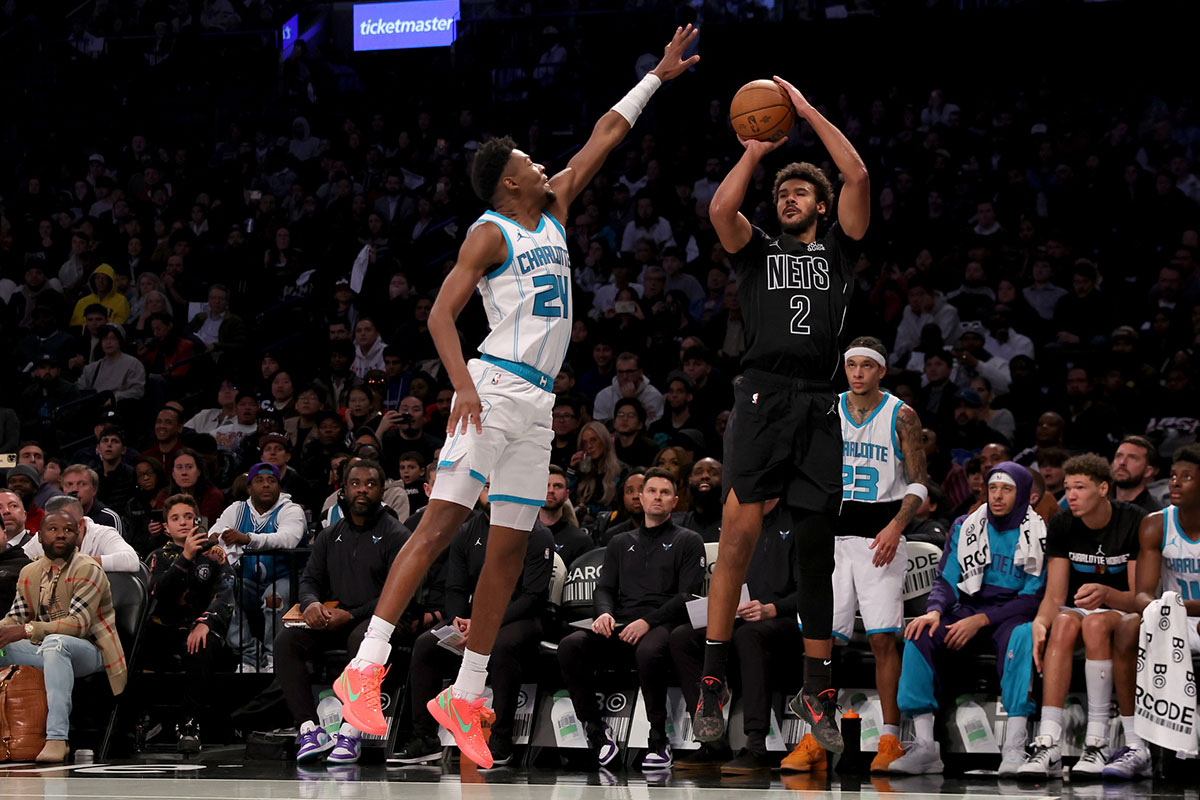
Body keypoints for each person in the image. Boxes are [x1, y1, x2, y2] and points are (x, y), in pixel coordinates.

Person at [334, 29, 699, 770]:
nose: (542, 164)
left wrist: (655, 77)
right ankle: (364, 667)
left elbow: (605, 135)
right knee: (437, 527)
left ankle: (468, 693)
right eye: (530, 161)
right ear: (509, 183)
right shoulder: (489, 231)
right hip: (492, 390)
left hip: (536, 407)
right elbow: (440, 315)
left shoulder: (556, 207)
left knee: (509, 550)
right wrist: (463, 386)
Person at [696, 74, 870, 753]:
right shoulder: (757, 252)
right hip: (763, 396)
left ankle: (817, 686)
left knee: (813, 553)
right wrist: (756, 151)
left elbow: (855, 171)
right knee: (736, 539)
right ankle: (713, 676)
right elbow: (720, 212)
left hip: (820, 405)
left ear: (822, 207)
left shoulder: (840, 250)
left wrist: (803, 110)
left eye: (801, 192)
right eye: (782, 194)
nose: (787, 198)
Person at [810, 337, 928, 772]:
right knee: (820, 643)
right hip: (832, 537)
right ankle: (815, 736)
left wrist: (897, 526)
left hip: (881, 537)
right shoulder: (827, 408)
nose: (857, 373)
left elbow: (918, 483)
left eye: (866, 366)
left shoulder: (903, 415)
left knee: (881, 638)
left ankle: (890, 739)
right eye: (851, 365)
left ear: (881, 371)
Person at [889, 463, 1045, 776]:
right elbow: (946, 580)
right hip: (966, 609)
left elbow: (1030, 600)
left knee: (1023, 636)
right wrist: (933, 610)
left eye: (1007, 489)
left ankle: (1014, 747)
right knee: (918, 633)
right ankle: (924, 747)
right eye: (993, 488)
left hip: (1010, 613)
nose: (997, 496)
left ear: (1024, 494)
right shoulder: (965, 525)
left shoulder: (1038, 532)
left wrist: (981, 621)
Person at [395, 485, 554, 767]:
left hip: (521, 618)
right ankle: (424, 738)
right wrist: (459, 620)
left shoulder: (536, 533)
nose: (494, 493)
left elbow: (532, 596)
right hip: (473, 618)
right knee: (425, 645)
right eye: (488, 487)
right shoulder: (467, 531)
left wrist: (483, 625)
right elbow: (455, 587)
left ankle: (501, 738)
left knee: (503, 646)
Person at [557, 468, 705, 769]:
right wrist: (604, 614)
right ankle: (596, 732)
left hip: (665, 622)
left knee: (650, 650)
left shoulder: (688, 540)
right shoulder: (620, 542)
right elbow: (605, 588)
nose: (657, 498)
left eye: (665, 493)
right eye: (652, 491)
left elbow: (687, 597)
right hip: (622, 623)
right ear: (641, 496)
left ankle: (658, 738)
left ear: (675, 501)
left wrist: (648, 622)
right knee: (571, 645)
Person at [1018, 454, 1146, 779]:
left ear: (1103, 488)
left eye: (1079, 487)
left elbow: (1141, 598)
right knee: (1060, 623)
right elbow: (1055, 597)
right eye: (1067, 487)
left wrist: (1107, 594)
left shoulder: (1134, 521)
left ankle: (1097, 742)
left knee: (1096, 622)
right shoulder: (1062, 523)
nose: (1071, 495)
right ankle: (1048, 743)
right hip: (1083, 609)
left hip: (1123, 610)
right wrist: (1040, 623)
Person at [276, 460, 412, 765]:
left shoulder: (396, 535)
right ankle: (309, 729)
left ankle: (352, 732)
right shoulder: (329, 535)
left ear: (381, 492)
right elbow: (310, 579)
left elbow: (400, 595)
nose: (362, 490)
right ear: (343, 490)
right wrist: (312, 604)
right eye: (355, 483)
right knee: (287, 641)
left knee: (362, 640)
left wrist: (351, 616)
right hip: (337, 618)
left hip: (386, 620)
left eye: (370, 484)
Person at [671, 498, 801, 773]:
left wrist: (772, 609)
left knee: (748, 637)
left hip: (786, 620)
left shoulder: (796, 522)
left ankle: (756, 745)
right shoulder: (737, 523)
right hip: (740, 616)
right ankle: (712, 741)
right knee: (683, 637)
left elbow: (814, 591)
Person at [0, 508, 127, 763]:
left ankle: (57, 738)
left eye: (68, 530)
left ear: (78, 534)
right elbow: (15, 618)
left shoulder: (88, 569)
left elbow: (78, 625)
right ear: (40, 536)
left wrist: (27, 630)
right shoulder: (29, 572)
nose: (61, 535)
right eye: (53, 529)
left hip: (93, 651)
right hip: (44, 647)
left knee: (56, 644)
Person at [1106, 444, 1200, 780]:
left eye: (1186, 478)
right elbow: (1143, 593)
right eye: (1173, 476)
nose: (1175, 483)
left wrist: (1178, 606)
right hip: (1173, 618)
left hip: (1187, 613)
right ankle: (1136, 746)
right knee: (1129, 625)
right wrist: (1168, 608)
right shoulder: (1155, 525)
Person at [143, 493, 236, 752]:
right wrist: (183, 558)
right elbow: (157, 592)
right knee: (138, 644)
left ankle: (189, 725)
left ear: (197, 520)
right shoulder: (158, 556)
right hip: (165, 627)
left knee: (200, 645)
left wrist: (206, 622)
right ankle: (144, 721)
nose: (183, 522)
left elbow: (227, 593)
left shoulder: (214, 554)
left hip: (202, 627)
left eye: (187, 516)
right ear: (166, 527)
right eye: (175, 518)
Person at [208, 462, 307, 673]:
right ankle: (250, 656)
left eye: (272, 481)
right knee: (225, 595)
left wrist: (246, 538)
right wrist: (217, 537)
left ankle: (274, 656)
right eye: (259, 481)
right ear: (249, 487)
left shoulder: (290, 509)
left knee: (274, 599)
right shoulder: (236, 509)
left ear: (279, 487)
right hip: (249, 580)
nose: (266, 485)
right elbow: (212, 533)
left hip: (284, 578)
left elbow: (288, 539)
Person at [24, 495, 139, 573]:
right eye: (52, 527)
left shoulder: (102, 534)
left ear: (81, 524)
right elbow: (19, 562)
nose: (58, 534)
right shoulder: (44, 537)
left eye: (66, 525)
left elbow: (130, 560)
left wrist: (77, 563)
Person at [593, 353, 665, 425]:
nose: (624, 376)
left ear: (640, 372)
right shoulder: (603, 396)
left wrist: (631, 400)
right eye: (620, 372)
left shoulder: (654, 396)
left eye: (629, 371)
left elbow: (651, 428)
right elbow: (600, 428)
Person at [540, 466, 592, 566]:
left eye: (557, 486)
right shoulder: (523, 536)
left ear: (566, 495)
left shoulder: (581, 541)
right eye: (546, 485)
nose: (550, 490)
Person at [60, 464, 124, 533]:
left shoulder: (109, 518)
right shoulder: (57, 516)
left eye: (82, 484)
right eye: (69, 484)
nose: (74, 489)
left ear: (94, 489)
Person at [1111, 435, 1163, 513]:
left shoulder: (1154, 515)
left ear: (1148, 471)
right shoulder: (1098, 503)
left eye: (1132, 457)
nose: (1122, 462)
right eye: (1119, 456)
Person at [0, 490, 33, 612]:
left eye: (13, 506)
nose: (6, 511)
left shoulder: (40, 545)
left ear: (25, 514)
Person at [676, 457, 723, 542]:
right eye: (698, 472)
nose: (705, 476)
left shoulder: (735, 524)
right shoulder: (676, 524)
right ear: (690, 480)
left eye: (713, 473)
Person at [610, 397, 660, 469]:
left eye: (631, 416)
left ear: (640, 424)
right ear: (614, 422)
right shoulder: (610, 447)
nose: (625, 419)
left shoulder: (650, 448)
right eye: (620, 415)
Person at [7, 464, 46, 534]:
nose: (17, 484)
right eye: (12, 481)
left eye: (24, 481)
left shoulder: (45, 518)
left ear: (35, 487)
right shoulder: (3, 517)